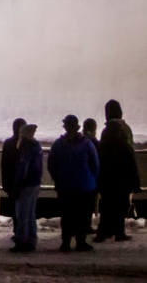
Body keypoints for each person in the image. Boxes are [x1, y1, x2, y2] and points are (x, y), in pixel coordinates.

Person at [48, 115, 99, 252]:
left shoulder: (58, 144)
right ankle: (81, 242)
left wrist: (58, 179)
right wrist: (91, 180)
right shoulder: (87, 144)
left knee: (67, 216)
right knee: (83, 216)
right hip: (85, 186)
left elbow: (52, 165)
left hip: (65, 187)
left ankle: (66, 243)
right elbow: (94, 164)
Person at [96, 100, 140, 243]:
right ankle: (119, 232)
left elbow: (98, 160)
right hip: (122, 180)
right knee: (121, 206)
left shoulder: (104, 136)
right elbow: (131, 160)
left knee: (106, 205)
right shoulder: (125, 136)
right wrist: (136, 183)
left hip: (106, 178)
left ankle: (103, 232)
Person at [11, 123, 44, 253]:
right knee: (30, 213)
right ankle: (31, 239)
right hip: (35, 183)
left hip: (26, 185)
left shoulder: (26, 148)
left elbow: (23, 169)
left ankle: (21, 240)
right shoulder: (37, 146)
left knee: (22, 214)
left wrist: (17, 185)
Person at [0, 118, 27, 199]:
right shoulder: (28, 144)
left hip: (11, 182)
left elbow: (4, 165)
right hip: (22, 182)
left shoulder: (8, 143)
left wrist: (5, 184)